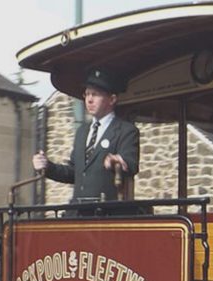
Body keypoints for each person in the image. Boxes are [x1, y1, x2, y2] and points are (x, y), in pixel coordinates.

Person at [32, 68, 139, 203]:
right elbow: (73, 172)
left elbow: (131, 164)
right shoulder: (82, 131)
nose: (89, 100)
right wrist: (47, 167)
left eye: (95, 95)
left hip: (106, 214)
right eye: (87, 94)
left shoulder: (126, 131)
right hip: (78, 212)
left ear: (112, 99)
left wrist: (118, 162)